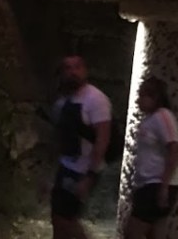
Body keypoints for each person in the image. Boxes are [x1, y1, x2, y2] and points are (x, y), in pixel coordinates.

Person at [49, 55, 111, 239]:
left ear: (85, 71)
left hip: (83, 170)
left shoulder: (96, 99)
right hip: (67, 166)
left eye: (77, 67)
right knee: (58, 218)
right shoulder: (64, 100)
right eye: (68, 68)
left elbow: (103, 138)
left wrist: (90, 176)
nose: (72, 72)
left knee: (65, 219)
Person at [124, 76, 178, 239]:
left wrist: (164, 186)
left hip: (157, 183)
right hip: (148, 184)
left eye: (142, 96)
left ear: (155, 97)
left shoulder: (163, 116)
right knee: (155, 233)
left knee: (133, 232)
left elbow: (174, 148)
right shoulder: (149, 119)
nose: (138, 100)